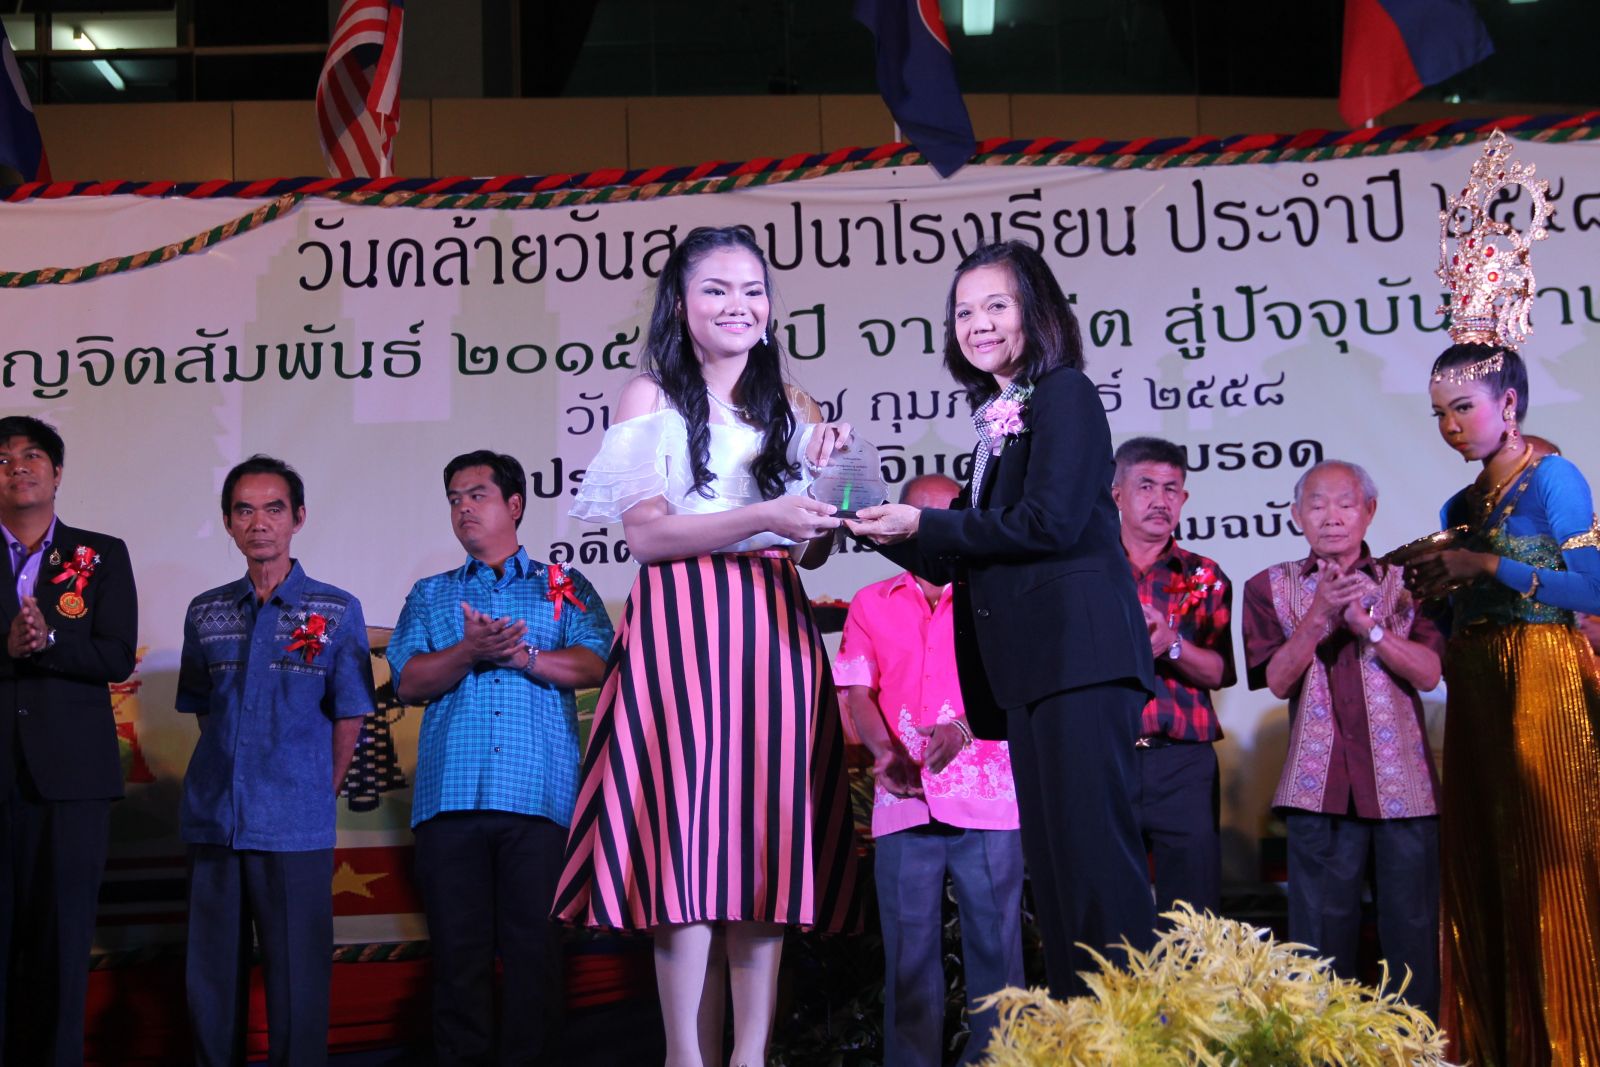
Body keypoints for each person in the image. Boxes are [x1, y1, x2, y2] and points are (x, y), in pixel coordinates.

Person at [551, 224, 858, 1067]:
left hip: (772, 626)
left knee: (764, 841)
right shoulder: (648, 396)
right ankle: (684, 1055)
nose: (738, 305)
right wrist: (765, 514)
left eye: (752, 289)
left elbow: (813, 549)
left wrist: (827, 481)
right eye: (716, 289)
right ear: (681, 303)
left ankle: (751, 1055)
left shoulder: (792, 403)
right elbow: (647, 537)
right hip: (682, 627)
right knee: (684, 840)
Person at [848, 240, 1158, 1000]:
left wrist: (926, 524)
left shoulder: (1064, 393)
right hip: (1036, 675)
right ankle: (1087, 1035)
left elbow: (1049, 522)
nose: (978, 323)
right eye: (963, 311)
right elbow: (972, 554)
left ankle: (1137, 1036)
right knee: (1057, 876)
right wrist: (874, 524)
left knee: (1096, 869)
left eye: (996, 305)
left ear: (1036, 312)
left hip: (1079, 663)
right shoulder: (997, 418)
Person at [387, 450, 612, 1067]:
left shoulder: (562, 584)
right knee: (457, 961)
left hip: (538, 799)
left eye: (477, 494)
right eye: (454, 498)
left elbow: (596, 662)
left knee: (534, 958)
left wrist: (522, 657)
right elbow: (407, 681)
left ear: (514, 505)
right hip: (449, 803)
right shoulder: (432, 594)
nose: (464, 507)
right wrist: (469, 650)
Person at [176, 455, 374, 1067]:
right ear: (228, 523)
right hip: (216, 822)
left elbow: (350, 714)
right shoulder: (205, 611)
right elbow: (206, 711)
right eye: (244, 510)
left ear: (298, 518)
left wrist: (314, 791)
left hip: (295, 826)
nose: (258, 522)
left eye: (273, 509)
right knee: (211, 984)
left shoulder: (335, 609)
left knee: (298, 984)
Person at [834, 473, 1024, 1067]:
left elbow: (1014, 682)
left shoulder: (995, 596)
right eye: (923, 518)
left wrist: (965, 726)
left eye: (949, 517)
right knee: (908, 959)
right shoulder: (871, 602)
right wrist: (883, 752)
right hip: (904, 794)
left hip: (988, 793)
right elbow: (857, 691)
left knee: (997, 954)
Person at [1242, 460, 1443, 1019]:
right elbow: (1278, 680)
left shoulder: (1410, 583)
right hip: (1318, 790)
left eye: (1345, 504)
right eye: (1317, 504)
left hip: (1403, 790)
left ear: (1368, 511)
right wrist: (1319, 616)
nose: (1331, 517)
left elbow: (1429, 673)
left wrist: (1369, 628)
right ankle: (1326, 1051)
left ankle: (1414, 1050)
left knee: (1412, 934)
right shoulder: (1268, 586)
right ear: (1296, 515)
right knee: (1319, 944)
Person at [0, 416, 137, 1067]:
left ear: (56, 473)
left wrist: (48, 641)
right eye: (2, 458)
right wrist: (6, 646)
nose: (17, 466)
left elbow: (114, 654)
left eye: (31, 455)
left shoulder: (100, 554)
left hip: (73, 782)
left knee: (62, 941)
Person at [1111, 436, 1235, 919]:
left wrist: (1172, 644)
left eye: (1171, 489)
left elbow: (1219, 671)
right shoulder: (1089, 571)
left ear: (1184, 498)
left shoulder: (1204, 576)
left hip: (1182, 761)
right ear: (1117, 495)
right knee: (1111, 903)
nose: (1160, 500)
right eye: (1146, 486)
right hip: (1106, 754)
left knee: (1192, 910)